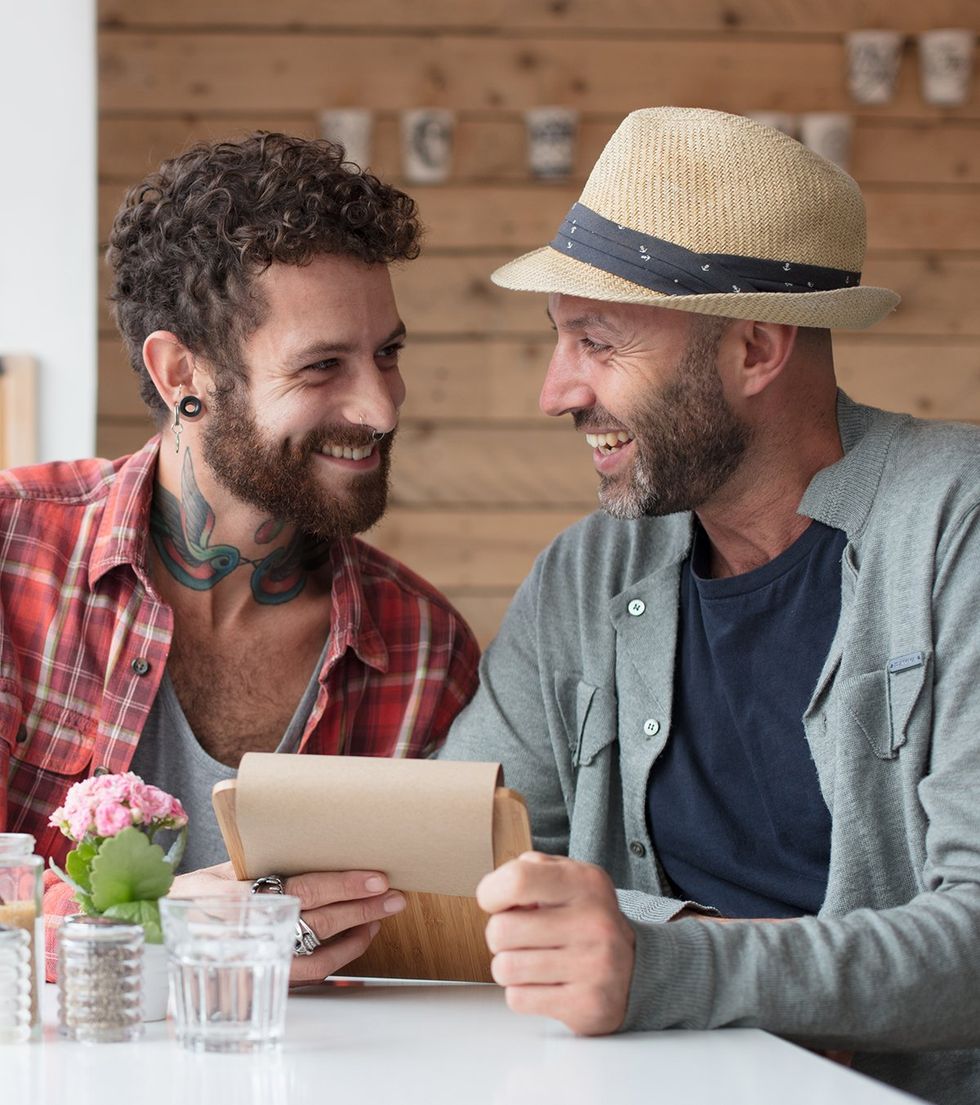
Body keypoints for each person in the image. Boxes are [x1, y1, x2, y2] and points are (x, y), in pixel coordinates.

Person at [441, 107, 980, 1104]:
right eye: (558, 341)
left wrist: (664, 961)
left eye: (596, 342)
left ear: (752, 351)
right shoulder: (584, 574)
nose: (556, 391)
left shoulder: (957, 529)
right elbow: (458, 858)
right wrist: (293, 908)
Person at [0, 132, 479, 981]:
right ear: (184, 370)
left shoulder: (424, 649)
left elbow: (429, 966)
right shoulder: (13, 556)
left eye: (388, 353)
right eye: (323, 365)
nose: (380, 406)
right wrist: (153, 930)